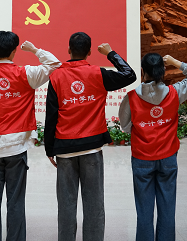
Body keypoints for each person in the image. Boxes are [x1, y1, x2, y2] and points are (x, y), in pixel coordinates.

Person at [44, 32, 137, 241]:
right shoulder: (98, 74)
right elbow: (129, 74)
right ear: (89, 52)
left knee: (66, 205)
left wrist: (49, 148)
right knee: (94, 204)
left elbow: (51, 116)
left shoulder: (56, 76)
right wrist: (110, 53)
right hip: (92, 148)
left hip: (65, 149)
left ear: (69, 50)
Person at [0, 31, 61, 241]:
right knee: (16, 201)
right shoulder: (26, 73)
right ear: (14, 51)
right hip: (17, 147)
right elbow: (54, 64)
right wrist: (35, 50)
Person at [119, 53, 187, 241]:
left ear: (142, 71)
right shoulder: (175, 92)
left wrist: (144, 126)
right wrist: (175, 62)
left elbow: (125, 126)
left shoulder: (131, 97)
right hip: (168, 157)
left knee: (144, 210)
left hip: (142, 158)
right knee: (167, 208)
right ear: (163, 70)